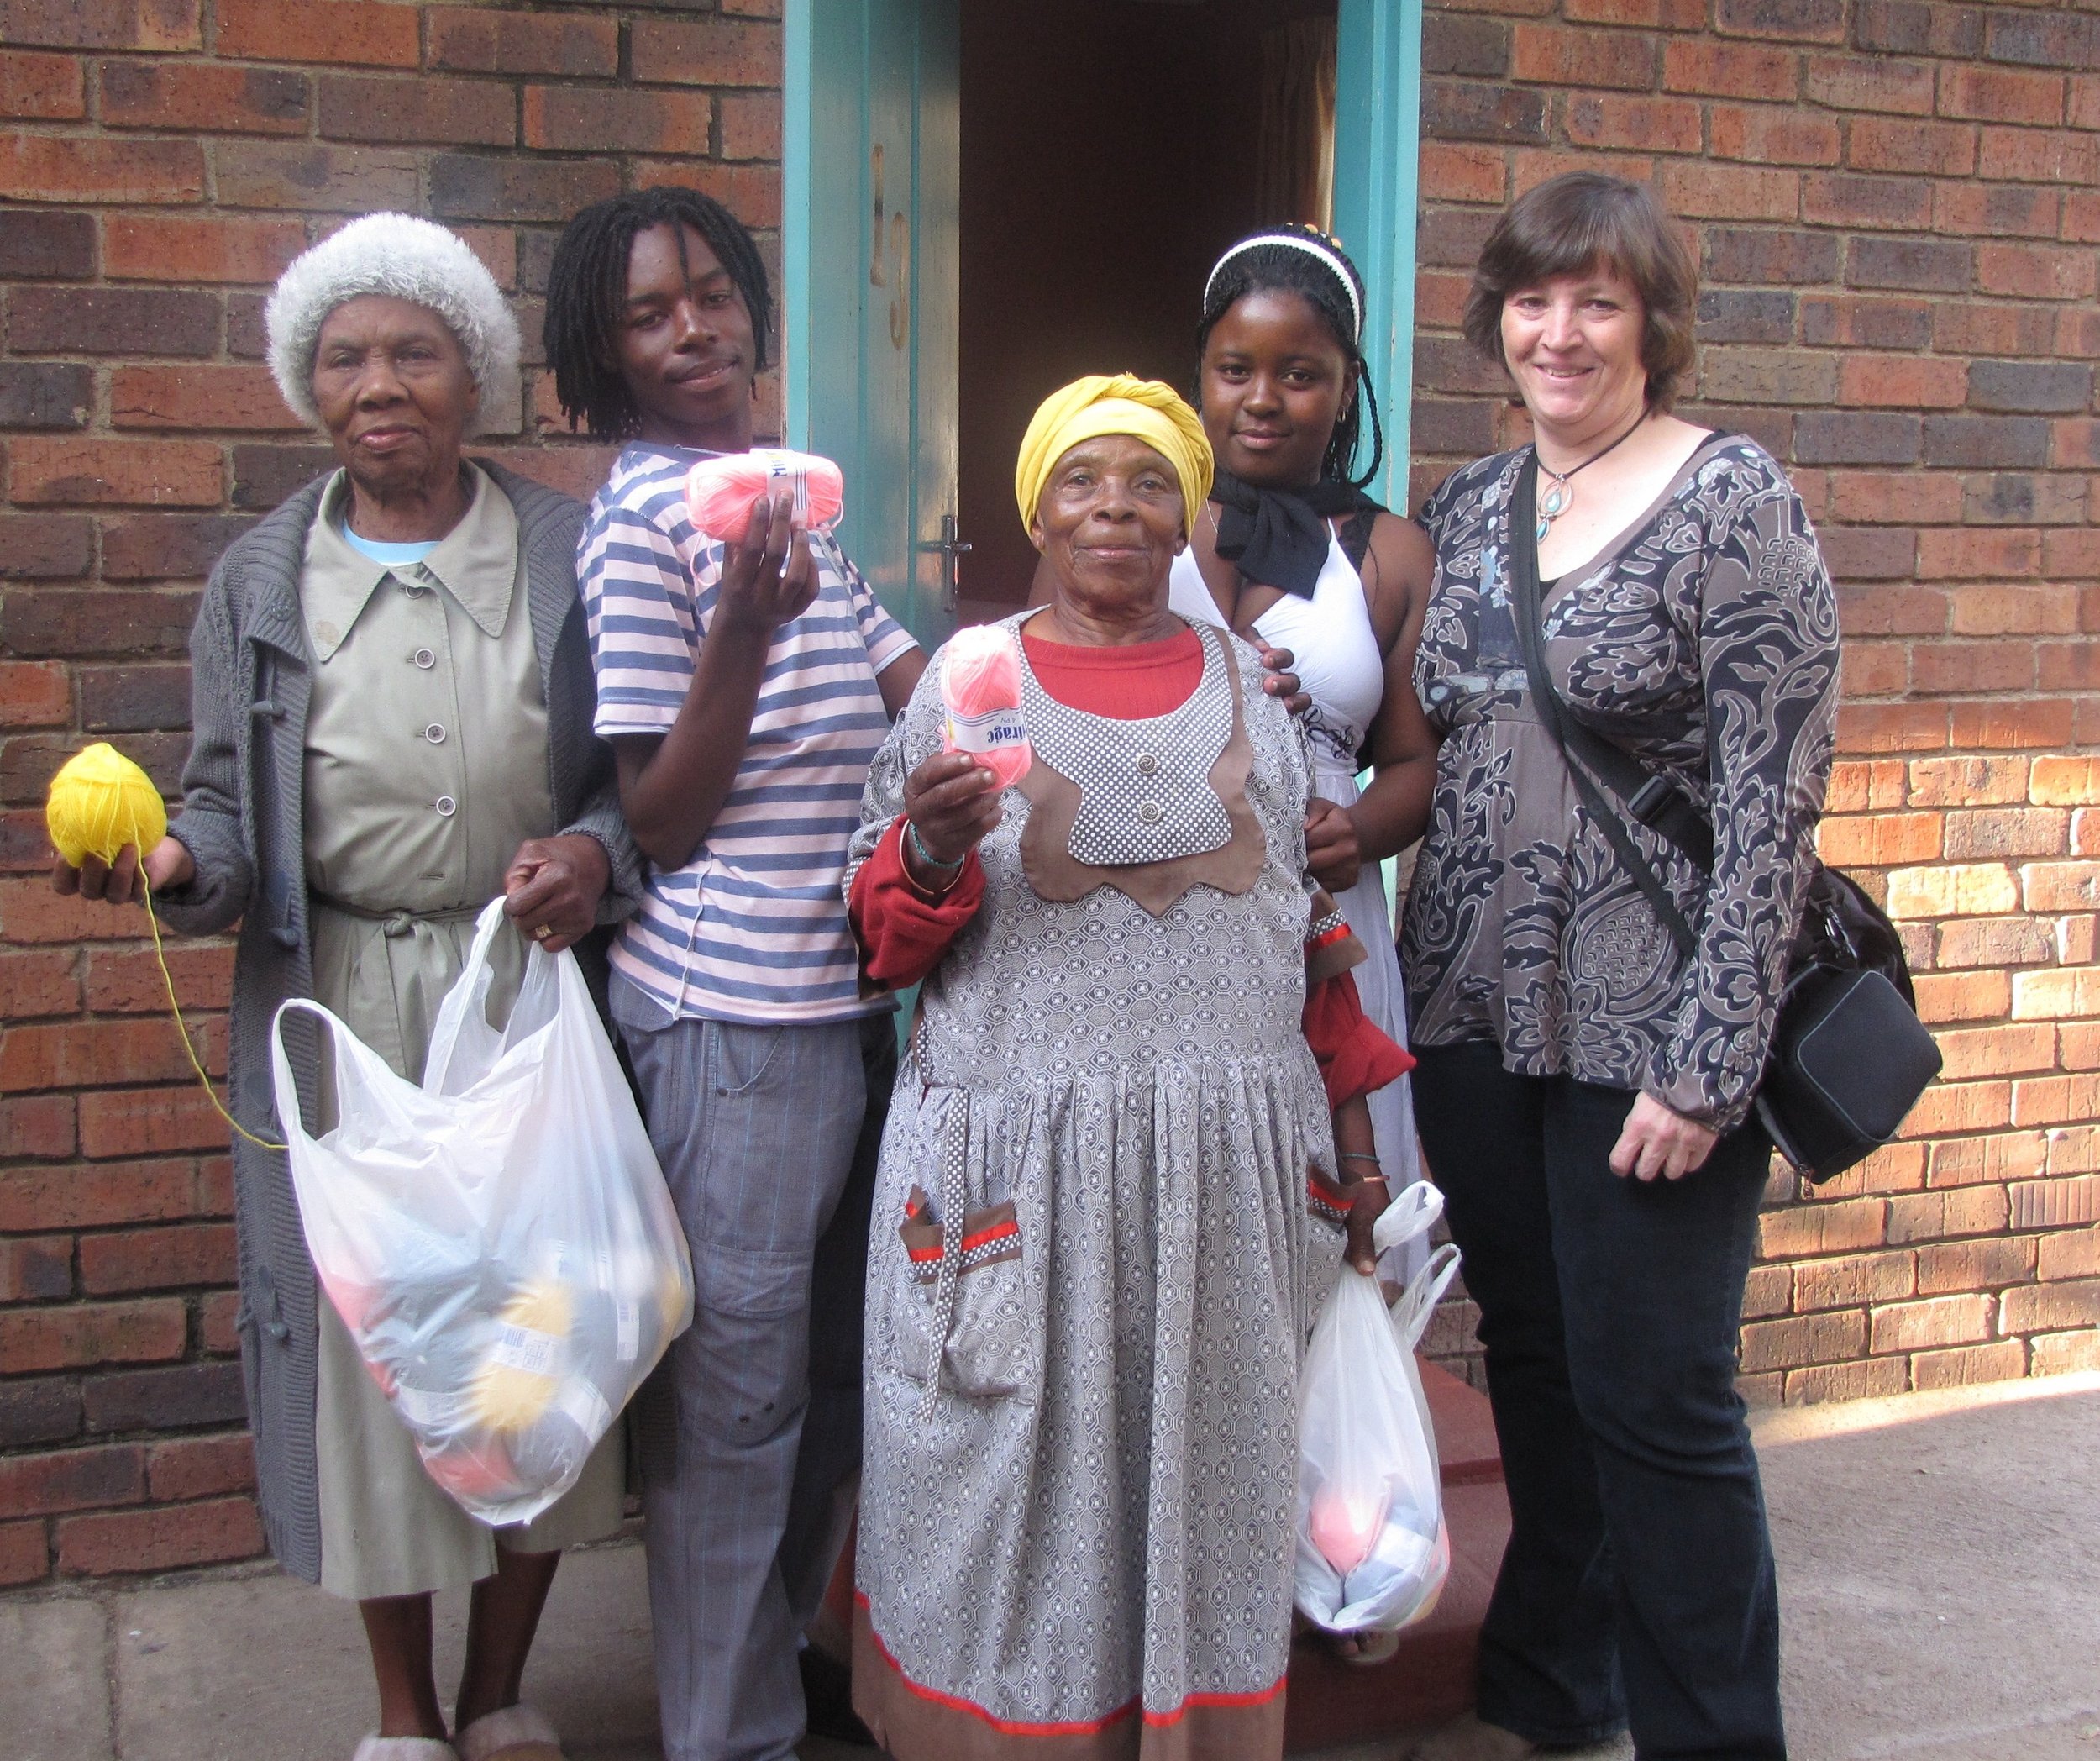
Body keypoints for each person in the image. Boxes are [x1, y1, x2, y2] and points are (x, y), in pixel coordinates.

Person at [53, 214, 640, 1761]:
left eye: (414, 351)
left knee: (539, 1330)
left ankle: (503, 1694)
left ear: (476, 377)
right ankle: (404, 1717)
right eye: (343, 355)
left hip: (528, 997)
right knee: (377, 1341)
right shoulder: (260, 577)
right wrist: (176, 868)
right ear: (305, 385)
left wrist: (591, 849)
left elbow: (638, 779)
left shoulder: (569, 549)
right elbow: (227, 818)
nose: (378, 383)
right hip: (343, 1007)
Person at [843, 374, 1410, 1761]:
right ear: (1038, 508)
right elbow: (882, 942)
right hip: (1015, 1183)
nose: (1116, 507)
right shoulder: (964, 686)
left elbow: (1313, 945)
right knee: (1005, 1502)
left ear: (1185, 517)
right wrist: (924, 848)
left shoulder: (1256, 699)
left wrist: (1361, 1158)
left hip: (1226, 1187)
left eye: (1150, 482)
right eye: (1083, 480)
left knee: (1206, 1499)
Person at [1397, 172, 1839, 1761]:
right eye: (1532, 299)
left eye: (1597, 300)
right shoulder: (1464, 510)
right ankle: (1551, 1682)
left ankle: (1717, 1735)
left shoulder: (1734, 501)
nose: (1561, 332)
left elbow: (1775, 808)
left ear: (1655, 320)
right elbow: (1418, 746)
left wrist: (1711, 1060)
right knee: (1531, 1355)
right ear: (1495, 322)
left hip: (1653, 1034)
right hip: (1470, 1011)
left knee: (1658, 1400)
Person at [542, 187, 924, 1761]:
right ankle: (726, 1737)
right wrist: (743, 638)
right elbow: (661, 813)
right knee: (739, 1409)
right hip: (729, 1021)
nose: (693, 328)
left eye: (711, 295)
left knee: (831, 1386)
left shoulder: (789, 505)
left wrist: (1081, 667)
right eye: (649, 313)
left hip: (845, 1007)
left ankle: (767, 1684)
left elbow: (920, 681)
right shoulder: (640, 527)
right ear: (605, 354)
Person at [1173, 225, 1438, 1356]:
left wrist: (1360, 824)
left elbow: (1420, 764)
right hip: (1161, 918)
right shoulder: (1139, 520)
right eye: (1237, 368)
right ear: (1200, 375)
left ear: (1346, 388)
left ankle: (1335, 1523)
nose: (1264, 400)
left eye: (1302, 373)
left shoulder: (1389, 554)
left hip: (1323, 926)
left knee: (1338, 1236)